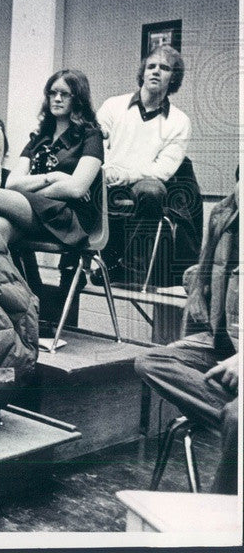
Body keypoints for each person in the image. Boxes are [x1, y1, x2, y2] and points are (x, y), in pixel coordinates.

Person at [135, 181, 238, 494]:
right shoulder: (225, 215)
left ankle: (223, 523)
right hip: (224, 346)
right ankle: (229, 416)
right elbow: (206, 288)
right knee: (151, 360)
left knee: (238, 419)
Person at [0, 70, 104, 315]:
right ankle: (31, 298)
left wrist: (37, 184)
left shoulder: (90, 135)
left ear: (78, 98)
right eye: (52, 93)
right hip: (36, 212)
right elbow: (12, 182)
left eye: (65, 93)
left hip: (70, 219)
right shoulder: (38, 138)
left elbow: (76, 188)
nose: (57, 98)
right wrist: (53, 177)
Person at [96, 44, 200, 285]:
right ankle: (93, 264)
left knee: (152, 191)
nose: (155, 71)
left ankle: (131, 268)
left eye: (164, 68)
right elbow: (95, 146)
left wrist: (125, 174)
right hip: (104, 178)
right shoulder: (113, 105)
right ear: (142, 72)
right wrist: (105, 171)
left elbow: (163, 170)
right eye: (151, 66)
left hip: (138, 184)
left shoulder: (180, 121)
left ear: (173, 78)